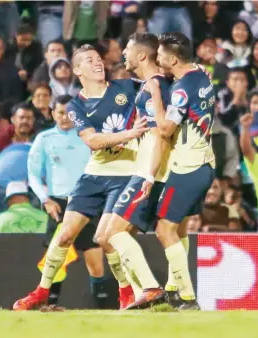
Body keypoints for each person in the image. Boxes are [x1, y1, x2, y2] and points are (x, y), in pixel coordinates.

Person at [12, 44, 148, 311]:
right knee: (64, 237)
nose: (97, 62)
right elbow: (93, 140)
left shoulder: (126, 87)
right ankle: (41, 292)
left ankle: (125, 293)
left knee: (106, 240)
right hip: (94, 175)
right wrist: (129, 135)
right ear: (77, 70)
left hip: (125, 174)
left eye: (98, 58)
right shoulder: (76, 105)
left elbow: (156, 81)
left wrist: (187, 72)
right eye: (89, 60)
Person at [110, 32, 216, 310]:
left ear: (171, 58)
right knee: (177, 230)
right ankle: (171, 290)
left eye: (161, 54)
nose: (157, 58)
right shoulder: (200, 78)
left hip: (183, 167)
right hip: (202, 163)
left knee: (162, 230)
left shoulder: (173, 88)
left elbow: (164, 131)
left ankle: (184, 297)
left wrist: (156, 95)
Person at [15, 94, 108, 310]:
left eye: (69, 113)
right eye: (60, 112)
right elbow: (33, 175)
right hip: (58, 203)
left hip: (87, 201)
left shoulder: (88, 137)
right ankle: (50, 306)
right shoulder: (44, 139)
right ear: (52, 113)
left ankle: (104, 309)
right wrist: (45, 199)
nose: (65, 117)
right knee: (56, 260)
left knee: (95, 261)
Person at [104, 32, 174, 308]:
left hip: (150, 172)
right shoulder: (157, 83)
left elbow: (159, 135)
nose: (123, 54)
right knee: (113, 235)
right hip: (149, 169)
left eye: (128, 49)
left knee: (115, 234)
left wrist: (148, 174)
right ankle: (144, 295)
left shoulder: (153, 87)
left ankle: (149, 288)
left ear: (142, 55)